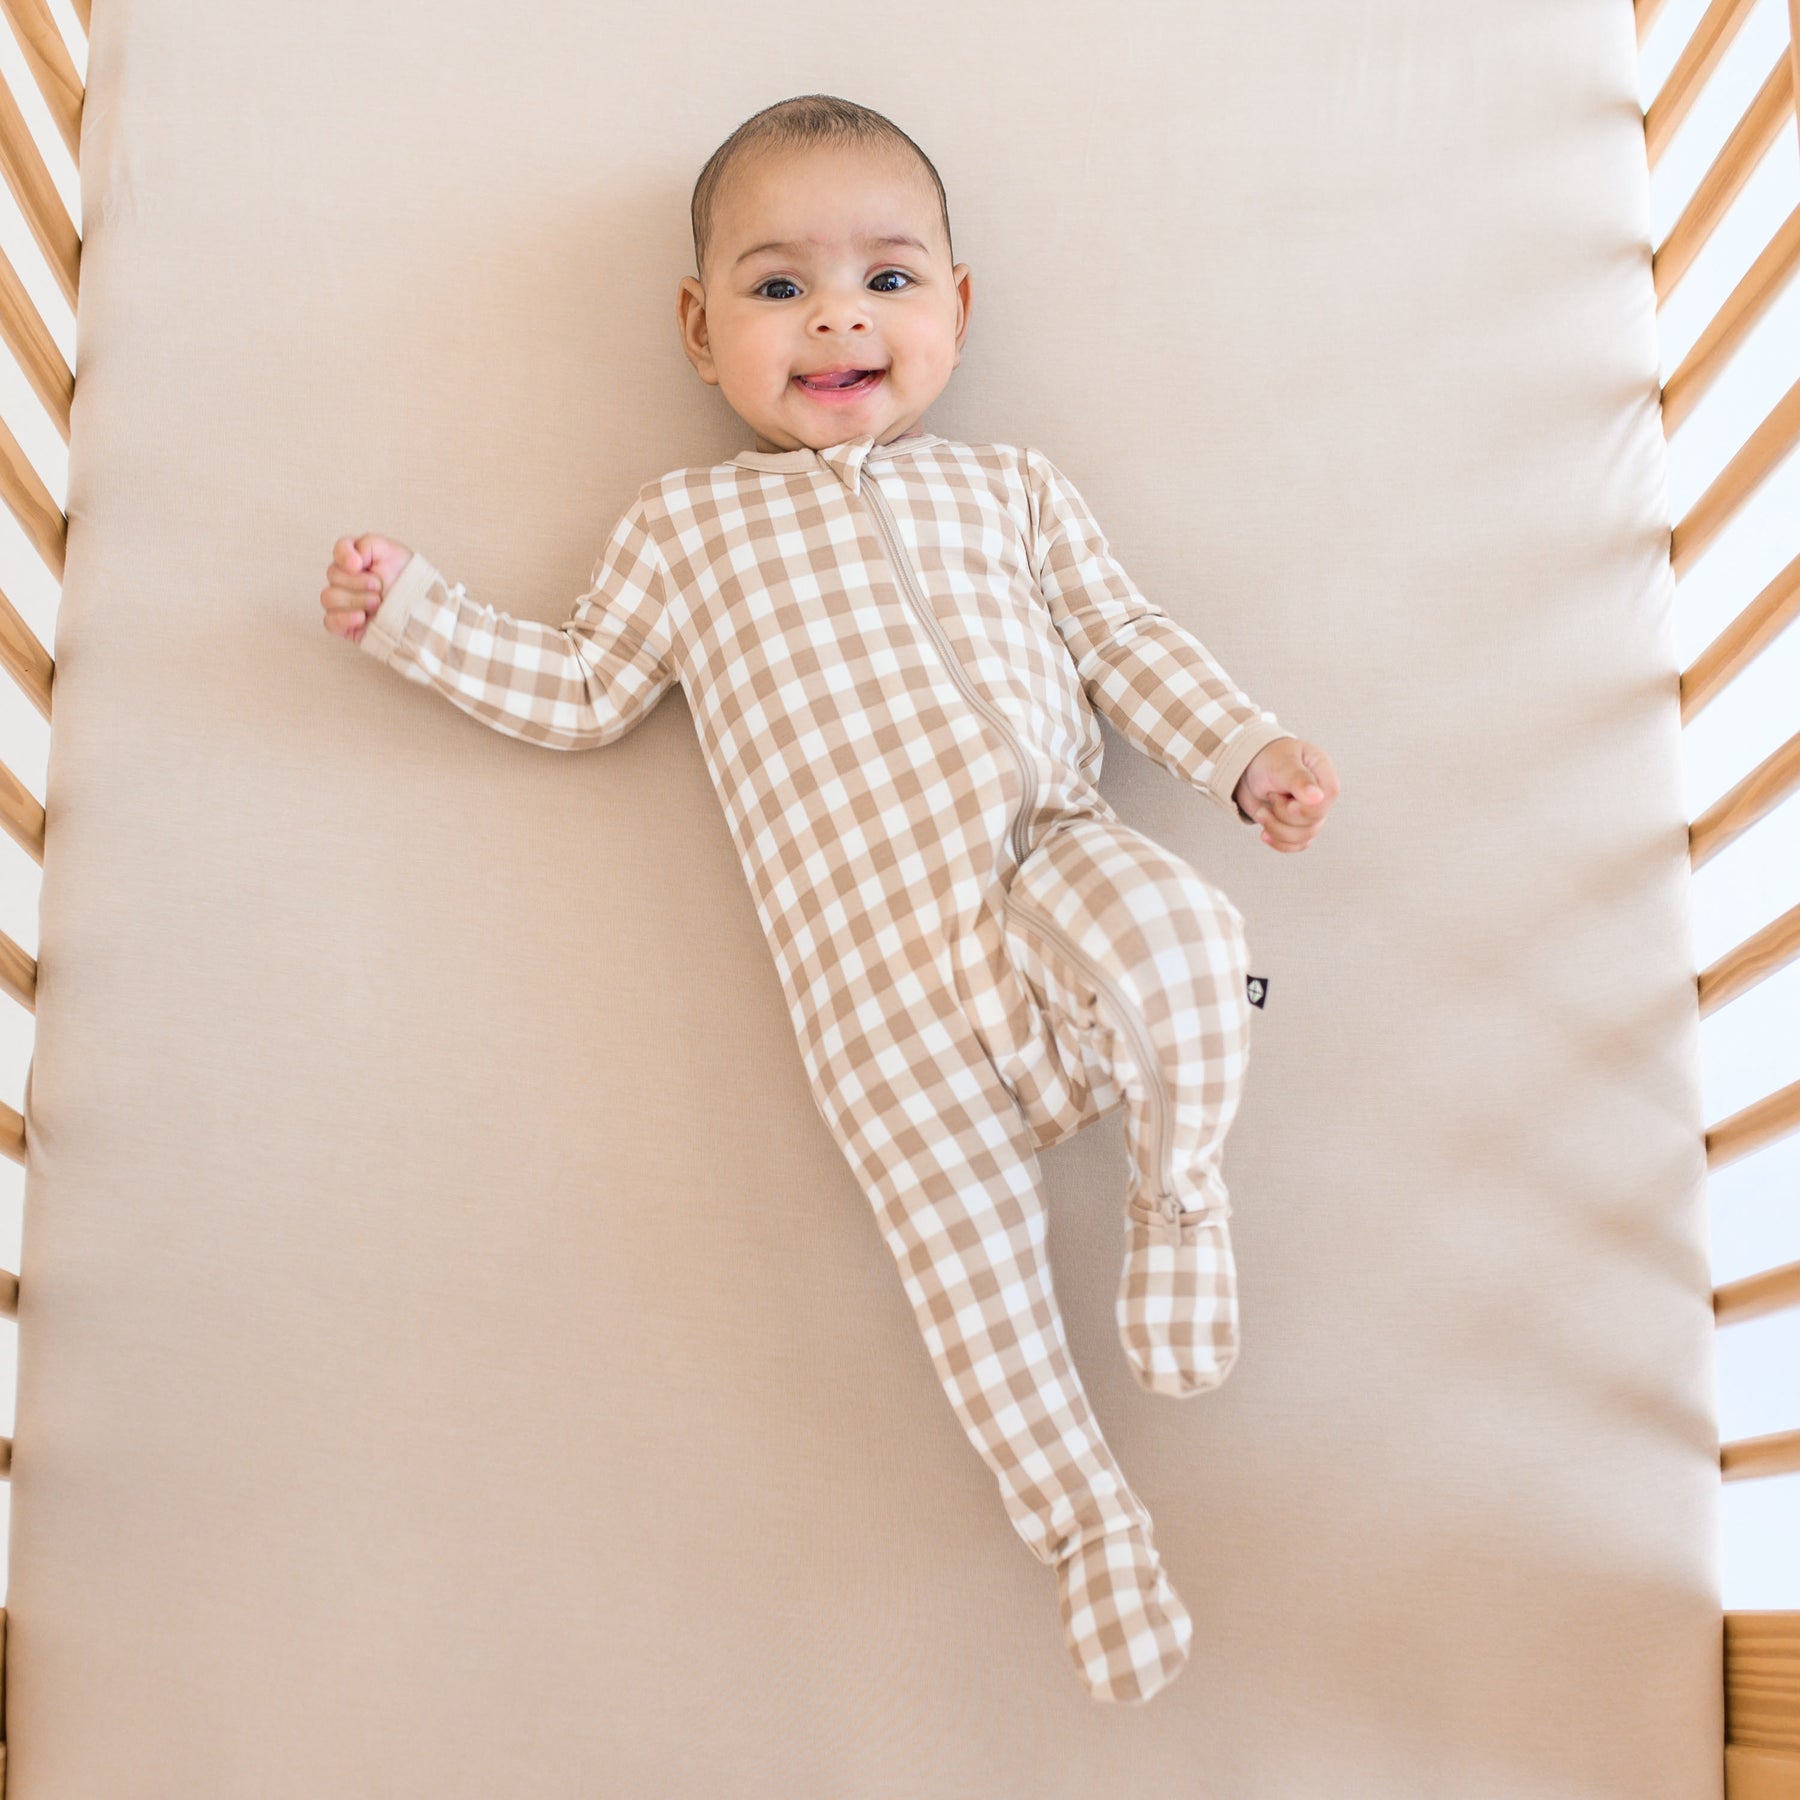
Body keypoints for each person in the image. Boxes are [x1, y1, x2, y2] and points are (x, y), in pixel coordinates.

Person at [319, 93, 1340, 1705]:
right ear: (698, 329)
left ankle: (1176, 1201)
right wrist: (416, 619)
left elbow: (1124, 640)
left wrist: (1244, 753)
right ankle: (1090, 1529)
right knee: (969, 1283)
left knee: (1192, 945)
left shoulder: (1010, 491)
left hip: (1047, 862)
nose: (838, 318)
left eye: (888, 278)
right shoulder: (684, 528)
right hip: (872, 994)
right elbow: (582, 688)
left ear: (958, 308)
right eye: (779, 285)